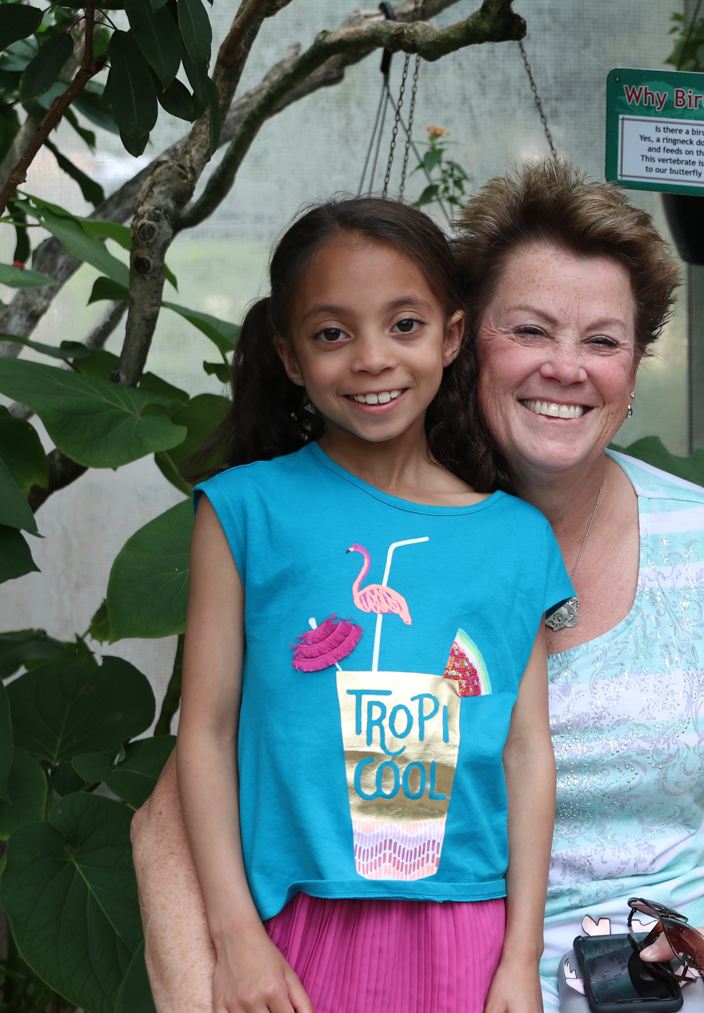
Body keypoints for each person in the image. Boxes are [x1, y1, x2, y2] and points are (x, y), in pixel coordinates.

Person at [131, 162, 704, 1013]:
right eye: (530, 329)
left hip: (695, 972)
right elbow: (189, 793)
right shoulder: (321, 524)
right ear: (469, 341)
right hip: (454, 960)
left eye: (603, 341)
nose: (565, 367)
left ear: (636, 368)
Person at [175, 198, 561, 1013]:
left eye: (404, 324)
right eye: (332, 333)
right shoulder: (243, 512)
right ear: (289, 356)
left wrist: (519, 957)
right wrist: (235, 935)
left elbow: (528, 752)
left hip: (468, 926)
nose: (372, 358)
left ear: (451, 337)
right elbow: (205, 732)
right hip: (293, 927)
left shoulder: (518, 538)